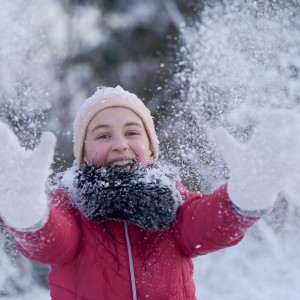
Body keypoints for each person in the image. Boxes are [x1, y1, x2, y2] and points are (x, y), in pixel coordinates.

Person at [0, 85, 300, 300]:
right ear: (84, 153)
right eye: (103, 135)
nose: (120, 144)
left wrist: (247, 193)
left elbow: (208, 225)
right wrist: (25, 209)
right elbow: (51, 243)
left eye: (132, 132)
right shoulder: (68, 204)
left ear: (151, 149)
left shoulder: (175, 201)